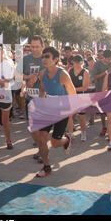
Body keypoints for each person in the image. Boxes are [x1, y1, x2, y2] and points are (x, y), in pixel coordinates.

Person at [33, 47, 76, 178]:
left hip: (61, 110)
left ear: (56, 59)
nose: (44, 59)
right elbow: (42, 89)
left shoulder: (63, 75)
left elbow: (73, 94)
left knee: (54, 143)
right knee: (41, 138)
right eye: (43, 56)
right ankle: (46, 167)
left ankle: (66, 140)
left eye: (47, 56)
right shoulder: (42, 74)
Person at [19, 35, 45, 162]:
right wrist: (28, 77)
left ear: (42, 46)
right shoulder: (26, 59)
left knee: (41, 129)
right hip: (30, 98)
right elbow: (18, 76)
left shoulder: (47, 59)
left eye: (37, 47)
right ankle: (41, 148)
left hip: (43, 99)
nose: (34, 49)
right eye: (32, 47)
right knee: (32, 129)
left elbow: (53, 74)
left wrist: (39, 77)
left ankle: (42, 151)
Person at [67, 55, 89, 141]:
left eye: (78, 62)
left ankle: (83, 132)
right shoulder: (70, 70)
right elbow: (67, 82)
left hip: (81, 96)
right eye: (75, 62)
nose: (76, 64)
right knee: (70, 115)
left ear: (82, 63)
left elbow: (85, 87)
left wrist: (73, 89)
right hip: (71, 96)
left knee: (81, 116)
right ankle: (70, 132)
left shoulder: (85, 72)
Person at [93, 49, 111, 136]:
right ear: (103, 57)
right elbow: (95, 77)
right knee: (101, 111)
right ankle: (104, 127)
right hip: (100, 90)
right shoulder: (97, 64)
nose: (110, 61)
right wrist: (106, 72)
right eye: (108, 59)